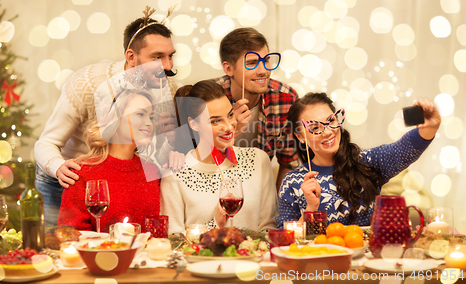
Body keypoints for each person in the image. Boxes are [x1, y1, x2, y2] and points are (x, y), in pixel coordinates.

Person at [35, 7, 182, 228]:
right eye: (157, 57)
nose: (168, 66)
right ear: (131, 57)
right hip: (69, 177)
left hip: (116, 179)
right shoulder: (86, 83)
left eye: (170, 56)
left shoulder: (165, 87)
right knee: (60, 248)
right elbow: (46, 142)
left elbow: (154, 142)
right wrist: (58, 167)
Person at [276, 92, 441, 227]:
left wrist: (430, 127)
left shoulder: (367, 161)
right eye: (315, 128)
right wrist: (310, 209)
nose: (327, 132)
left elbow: (403, 150)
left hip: (369, 260)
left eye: (330, 121)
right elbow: (286, 242)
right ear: (300, 136)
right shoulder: (292, 182)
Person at [161, 80, 278, 233]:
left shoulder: (258, 160)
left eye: (230, 115)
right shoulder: (174, 173)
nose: (229, 127)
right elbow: (173, 240)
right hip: (202, 257)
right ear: (194, 124)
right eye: (216, 121)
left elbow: (269, 227)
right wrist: (215, 224)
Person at [58, 88, 160, 231]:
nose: (149, 123)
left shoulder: (152, 171)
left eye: (151, 117)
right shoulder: (82, 171)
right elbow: (71, 234)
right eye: (141, 114)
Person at [212, 27, 299, 191]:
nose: (263, 71)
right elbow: (195, 159)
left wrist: (276, 207)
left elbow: (289, 163)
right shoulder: (208, 98)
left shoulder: (286, 98)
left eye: (265, 60)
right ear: (228, 69)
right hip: (213, 188)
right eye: (251, 63)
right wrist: (231, 130)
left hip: (260, 190)